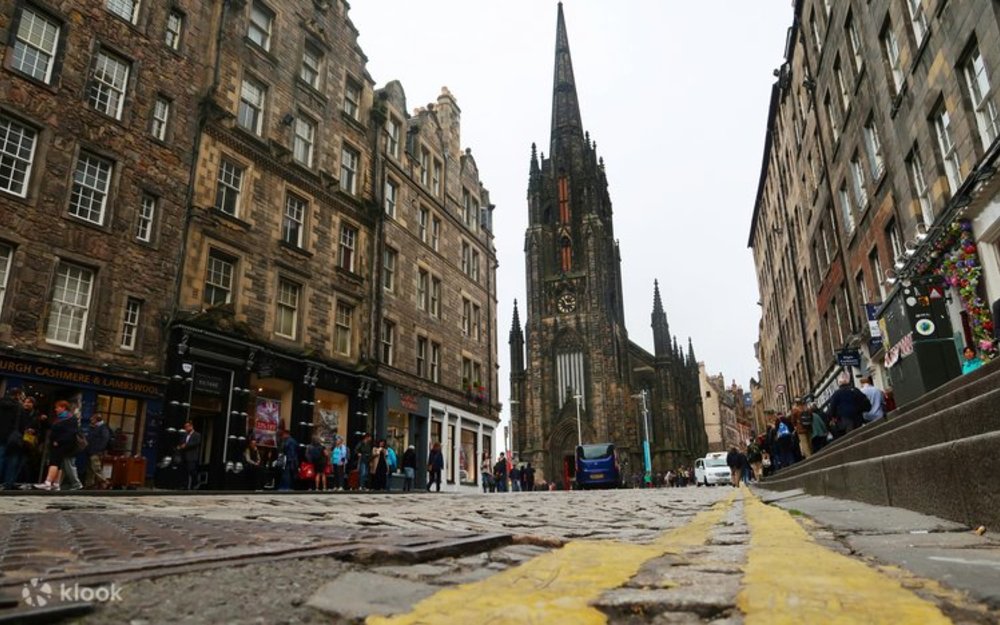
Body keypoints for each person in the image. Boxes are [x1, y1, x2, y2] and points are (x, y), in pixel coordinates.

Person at [34, 400, 77, 491]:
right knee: (59, 464)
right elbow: (52, 428)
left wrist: (58, 441)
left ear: (63, 408)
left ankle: (48, 482)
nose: (55, 409)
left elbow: (71, 433)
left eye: (57, 407)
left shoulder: (70, 418)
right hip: (58, 444)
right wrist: (45, 421)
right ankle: (56, 484)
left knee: (54, 462)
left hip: (61, 444)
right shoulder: (60, 418)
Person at [826, 372, 869, 438]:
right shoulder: (855, 390)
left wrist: (833, 416)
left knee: (851, 434)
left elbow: (832, 407)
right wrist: (863, 409)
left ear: (839, 384)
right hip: (857, 415)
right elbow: (865, 401)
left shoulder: (837, 394)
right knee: (860, 431)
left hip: (845, 417)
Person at [85, 413, 111, 489]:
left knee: (96, 467)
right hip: (90, 450)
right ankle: (89, 484)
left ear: (96, 420)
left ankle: (105, 481)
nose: (91, 420)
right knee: (89, 468)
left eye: (92, 419)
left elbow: (104, 440)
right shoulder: (93, 427)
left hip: (96, 451)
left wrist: (99, 449)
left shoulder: (103, 428)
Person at [177, 420, 202, 490]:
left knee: (191, 470)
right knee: (184, 471)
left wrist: (185, 446)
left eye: (187, 426)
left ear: (191, 426)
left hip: (192, 456)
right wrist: (180, 446)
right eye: (185, 427)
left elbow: (195, 443)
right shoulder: (184, 435)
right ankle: (184, 486)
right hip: (184, 455)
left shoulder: (197, 435)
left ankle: (196, 482)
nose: (186, 428)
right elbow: (182, 443)